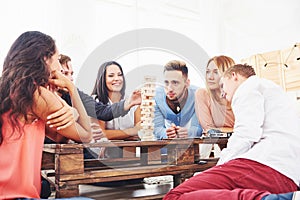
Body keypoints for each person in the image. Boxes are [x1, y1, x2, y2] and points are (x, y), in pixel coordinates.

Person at [163, 64, 300, 200]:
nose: (222, 94)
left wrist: (219, 168)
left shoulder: (248, 86)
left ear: (234, 76)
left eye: (222, 85)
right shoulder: (277, 93)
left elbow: (246, 134)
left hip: (265, 166)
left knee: (174, 196)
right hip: (289, 179)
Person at [0, 31, 92, 199]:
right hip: (17, 197)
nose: (60, 68)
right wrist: (71, 89)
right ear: (44, 59)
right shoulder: (36, 94)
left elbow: (60, 136)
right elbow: (86, 135)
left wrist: (69, 111)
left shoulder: (10, 91)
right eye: (57, 59)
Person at [195, 55, 235, 158]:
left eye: (216, 72)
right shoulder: (202, 94)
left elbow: (245, 129)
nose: (210, 77)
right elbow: (209, 129)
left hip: (239, 143)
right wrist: (229, 130)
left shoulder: (237, 95)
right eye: (208, 72)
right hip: (217, 144)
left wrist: (219, 130)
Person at [91, 61, 141, 142]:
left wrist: (116, 134)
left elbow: (140, 131)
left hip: (130, 151)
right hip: (103, 152)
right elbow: (100, 134)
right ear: (103, 79)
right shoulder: (96, 101)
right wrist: (131, 132)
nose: (117, 79)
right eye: (111, 76)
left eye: (120, 75)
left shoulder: (133, 100)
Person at [154, 60, 202, 140]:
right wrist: (166, 133)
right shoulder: (156, 96)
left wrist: (188, 133)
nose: (170, 88)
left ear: (187, 83)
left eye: (175, 83)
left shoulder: (198, 95)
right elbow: (157, 128)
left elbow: (197, 127)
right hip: (163, 144)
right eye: (166, 82)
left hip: (189, 143)